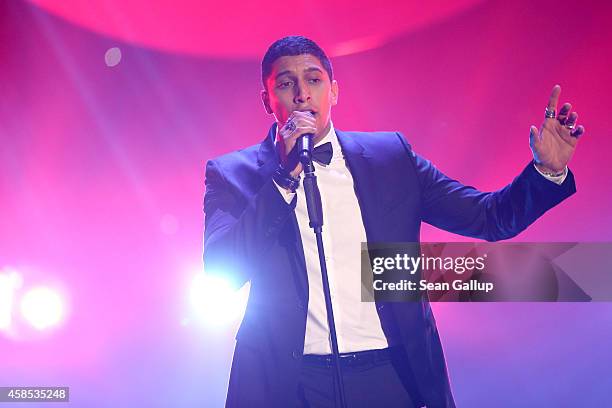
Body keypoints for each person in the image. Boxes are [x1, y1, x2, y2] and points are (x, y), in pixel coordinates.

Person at [203, 36, 583, 408]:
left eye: (314, 79)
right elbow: (223, 269)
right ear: (267, 100)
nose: (302, 93)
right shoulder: (234, 174)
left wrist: (546, 171)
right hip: (293, 382)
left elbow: (490, 218)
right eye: (286, 84)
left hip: (391, 374)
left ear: (334, 91)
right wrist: (283, 179)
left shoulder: (390, 158)